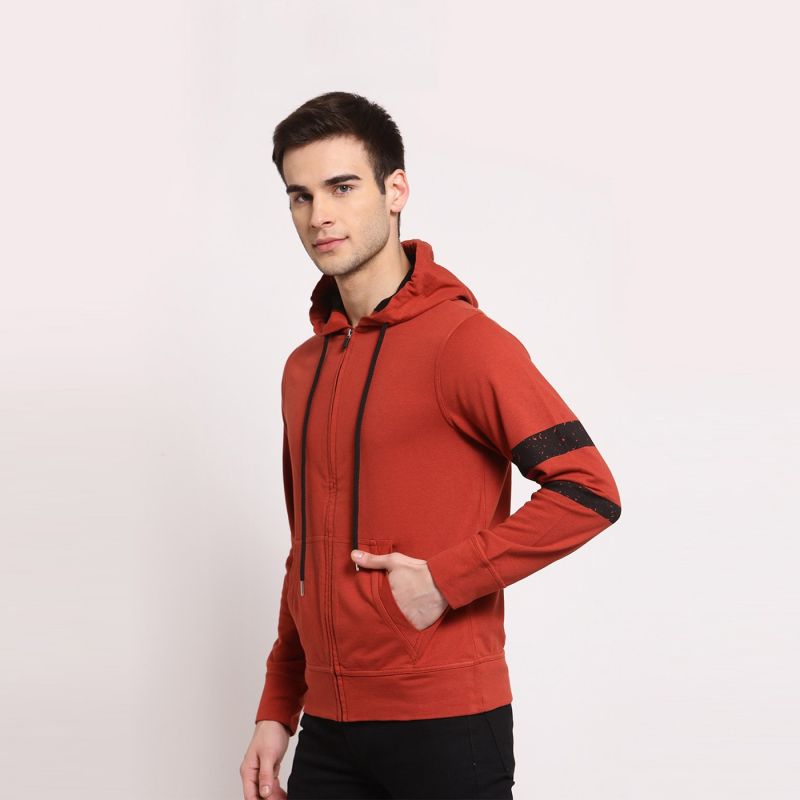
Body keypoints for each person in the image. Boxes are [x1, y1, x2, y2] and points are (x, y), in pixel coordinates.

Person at [240, 91, 622, 800]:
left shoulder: (464, 343)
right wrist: (278, 706)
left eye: (342, 187)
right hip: (328, 727)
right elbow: (307, 553)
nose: (319, 215)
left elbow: (589, 490)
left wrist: (447, 579)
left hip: (447, 724)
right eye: (300, 195)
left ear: (395, 191)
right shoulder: (302, 369)